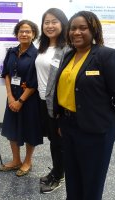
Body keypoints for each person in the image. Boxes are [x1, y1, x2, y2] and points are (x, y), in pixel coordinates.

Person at [54, 11, 115, 200]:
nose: (77, 32)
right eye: (73, 28)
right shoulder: (68, 55)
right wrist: (60, 120)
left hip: (96, 130)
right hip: (69, 125)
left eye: (83, 28)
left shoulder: (106, 55)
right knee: (72, 177)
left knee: (92, 182)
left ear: (94, 30)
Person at [0, 20, 43, 177]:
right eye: (21, 31)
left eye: (28, 31)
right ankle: (16, 160)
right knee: (12, 129)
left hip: (29, 100)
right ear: (17, 34)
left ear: (33, 34)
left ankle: (27, 161)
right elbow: (6, 74)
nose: (24, 34)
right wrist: (10, 97)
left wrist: (20, 101)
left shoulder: (37, 55)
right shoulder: (11, 52)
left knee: (30, 130)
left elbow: (35, 82)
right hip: (12, 98)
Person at [35, 8, 68, 193]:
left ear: (63, 23)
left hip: (57, 104)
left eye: (54, 21)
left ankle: (59, 176)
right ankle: (57, 170)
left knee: (58, 142)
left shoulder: (67, 48)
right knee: (53, 140)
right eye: (46, 22)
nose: (49, 25)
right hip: (42, 101)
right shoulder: (43, 46)